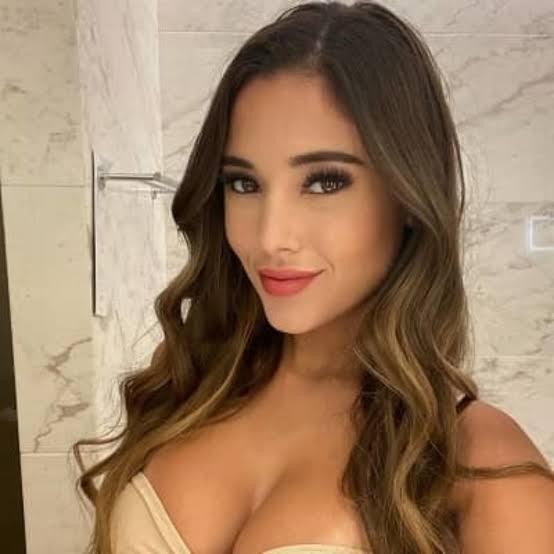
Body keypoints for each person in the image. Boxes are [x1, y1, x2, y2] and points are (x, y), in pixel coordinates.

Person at [74, 2, 554, 553]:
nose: (270, 236)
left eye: (324, 182)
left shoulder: (482, 464)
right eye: (244, 184)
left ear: (407, 196)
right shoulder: (191, 388)